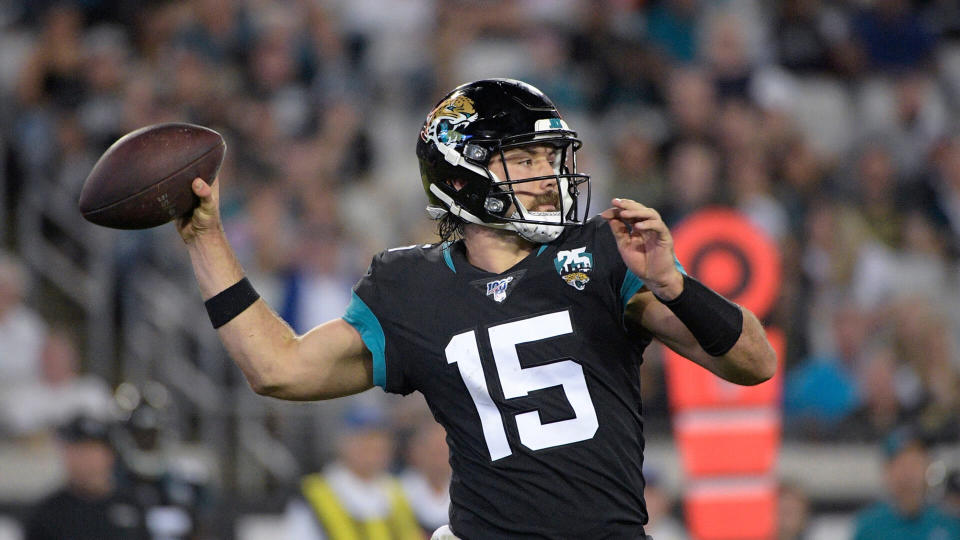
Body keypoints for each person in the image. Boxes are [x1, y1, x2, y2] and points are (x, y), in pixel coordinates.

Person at [176, 78, 776, 538]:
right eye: (525, 160)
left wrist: (675, 284)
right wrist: (206, 239)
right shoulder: (410, 286)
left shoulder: (604, 253)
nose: (548, 177)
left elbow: (754, 362)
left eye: (550, 158)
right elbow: (277, 368)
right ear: (462, 176)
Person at [283, 402, 421, 540]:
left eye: (380, 439)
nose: (373, 446)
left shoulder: (399, 493)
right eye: (364, 438)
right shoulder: (314, 494)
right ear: (342, 442)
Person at [24, 415, 149, 540]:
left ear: (109, 455)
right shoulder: (48, 513)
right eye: (76, 450)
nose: (84, 459)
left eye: (91, 449)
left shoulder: (135, 504)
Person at [851, 426, 960, 540]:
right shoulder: (870, 528)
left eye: (916, 462)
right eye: (903, 463)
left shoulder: (949, 523)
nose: (910, 472)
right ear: (888, 470)